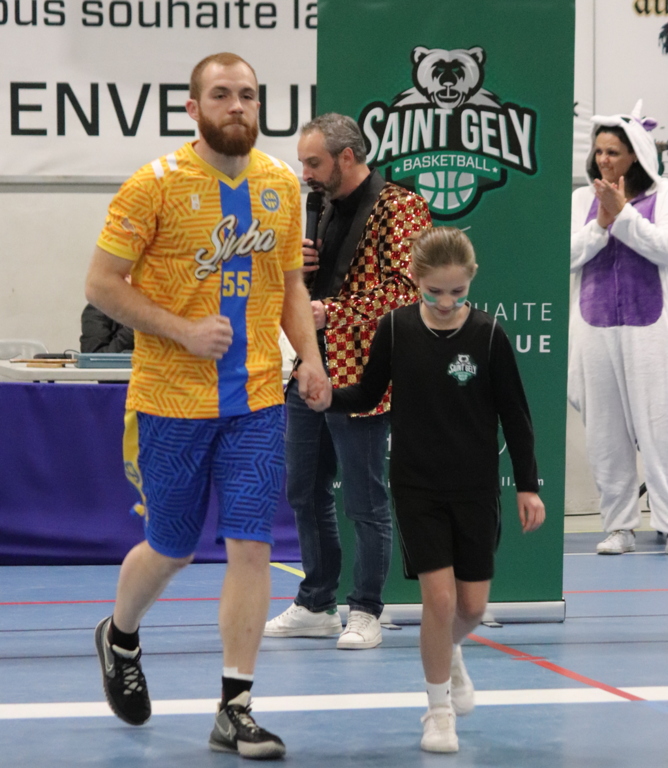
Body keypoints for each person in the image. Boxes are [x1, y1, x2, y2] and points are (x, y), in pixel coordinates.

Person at [85, 52, 329, 760]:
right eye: (221, 94)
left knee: (252, 545)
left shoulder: (281, 184)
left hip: (256, 398)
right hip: (170, 400)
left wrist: (310, 359)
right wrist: (182, 329)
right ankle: (120, 636)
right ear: (193, 107)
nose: (237, 106)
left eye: (247, 94)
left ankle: (236, 708)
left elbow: (290, 287)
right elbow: (102, 284)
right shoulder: (153, 186)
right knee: (172, 547)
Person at [304, 226, 545, 752]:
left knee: (471, 608)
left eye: (457, 291)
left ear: (471, 280)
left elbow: (516, 416)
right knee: (438, 600)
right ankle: (438, 712)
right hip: (417, 487)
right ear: (415, 279)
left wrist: (527, 486)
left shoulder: (488, 336)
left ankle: (449, 651)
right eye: (434, 291)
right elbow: (368, 392)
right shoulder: (395, 329)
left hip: (475, 489)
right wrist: (329, 399)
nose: (446, 302)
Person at [264, 114, 432, 649]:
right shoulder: (321, 208)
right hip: (310, 365)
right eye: (302, 163)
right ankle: (316, 602)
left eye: (313, 162)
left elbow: (408, 290)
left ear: (347, 156)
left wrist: (329, 311)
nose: (305, 174)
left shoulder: (401, 206)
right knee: (304, 489)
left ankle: (365, 610)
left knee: (364, 498)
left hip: (365, 371)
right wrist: (300, 271)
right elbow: (304, 292)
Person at [570, 100, 668, 555]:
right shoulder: (580, 200)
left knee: (659, 427)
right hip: (595, 328)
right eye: (599, 151)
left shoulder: (663, 196)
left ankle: (665, 521)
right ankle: (619, 527)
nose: (603, 160)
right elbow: (565, 255)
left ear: (635, 155)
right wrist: (600, 225)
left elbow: (664, 249)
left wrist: (623, 216)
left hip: (651, 331)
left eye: (613, 152)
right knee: (605, 434)